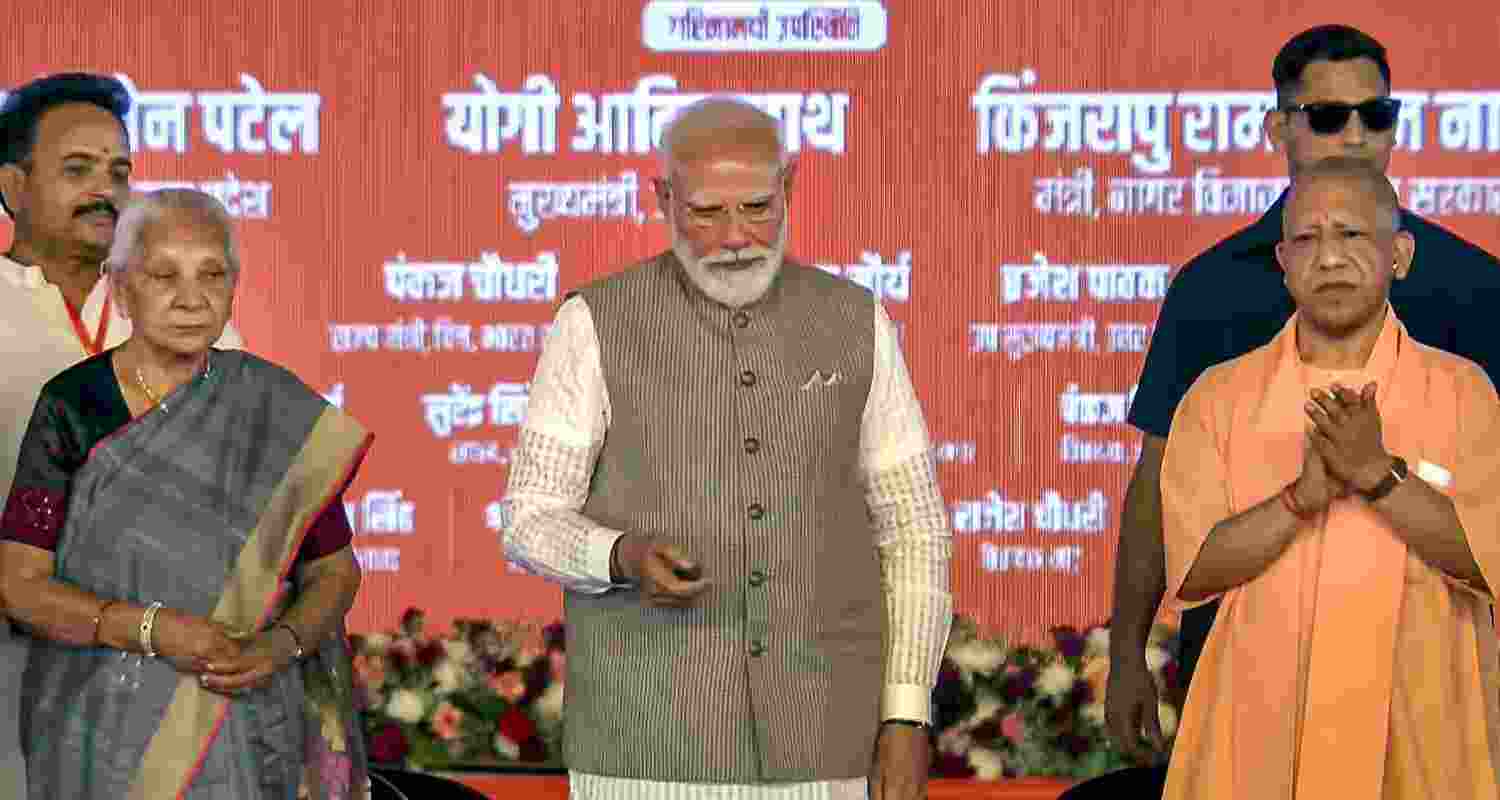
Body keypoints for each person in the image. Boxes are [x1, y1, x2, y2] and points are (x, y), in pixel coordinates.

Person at [500, 97, 952, 800]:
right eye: (707, 213)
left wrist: (905, 715)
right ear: (663, 198)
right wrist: (618, 556)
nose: (737, 236)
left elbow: (914, 526)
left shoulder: (856, 319)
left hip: (829, 740)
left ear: (790, 187)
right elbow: (529, 518)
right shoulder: (593, 322)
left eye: (758, 207)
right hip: (643, 748)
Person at [1096, 24, 1500, 792]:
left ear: (1398, 256)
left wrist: (1380, 478)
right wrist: (1127, 657)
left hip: (1429, 703)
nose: (1354, 135)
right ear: (1278, 127)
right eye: (1326, 116)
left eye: (1375, 116)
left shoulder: (1479, 290)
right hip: (1254, 698)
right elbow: (1155, 485)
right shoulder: (1209, 291)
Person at [0, 188, 370, 799]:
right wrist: (149, 629)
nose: (191, 298)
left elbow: (333, 571)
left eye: (212, 274)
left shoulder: (274, 411)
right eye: (163, 275)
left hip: (246, 723)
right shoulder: (74, 406)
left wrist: (280, 646)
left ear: (234, 286)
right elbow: (19, 584)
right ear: (120, 288)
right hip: (100, 726)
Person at [1159, 157, 1500, 797]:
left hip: (1422, 746)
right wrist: (1300, 499)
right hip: (1259, 744)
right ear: (1283, 262)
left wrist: (1378, 476)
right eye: (1309, 240)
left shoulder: (1464, 393)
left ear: (1399, 254)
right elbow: (1193, 570)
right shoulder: (1220, 396)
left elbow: (1488, 560)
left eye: (1352, 235)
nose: (1330, 258)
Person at [0, 72, 248, 798]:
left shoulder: (180, 310)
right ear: (12, 187)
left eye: (119, 172)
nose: (104, 190)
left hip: (156, 683)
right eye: (76, 170)